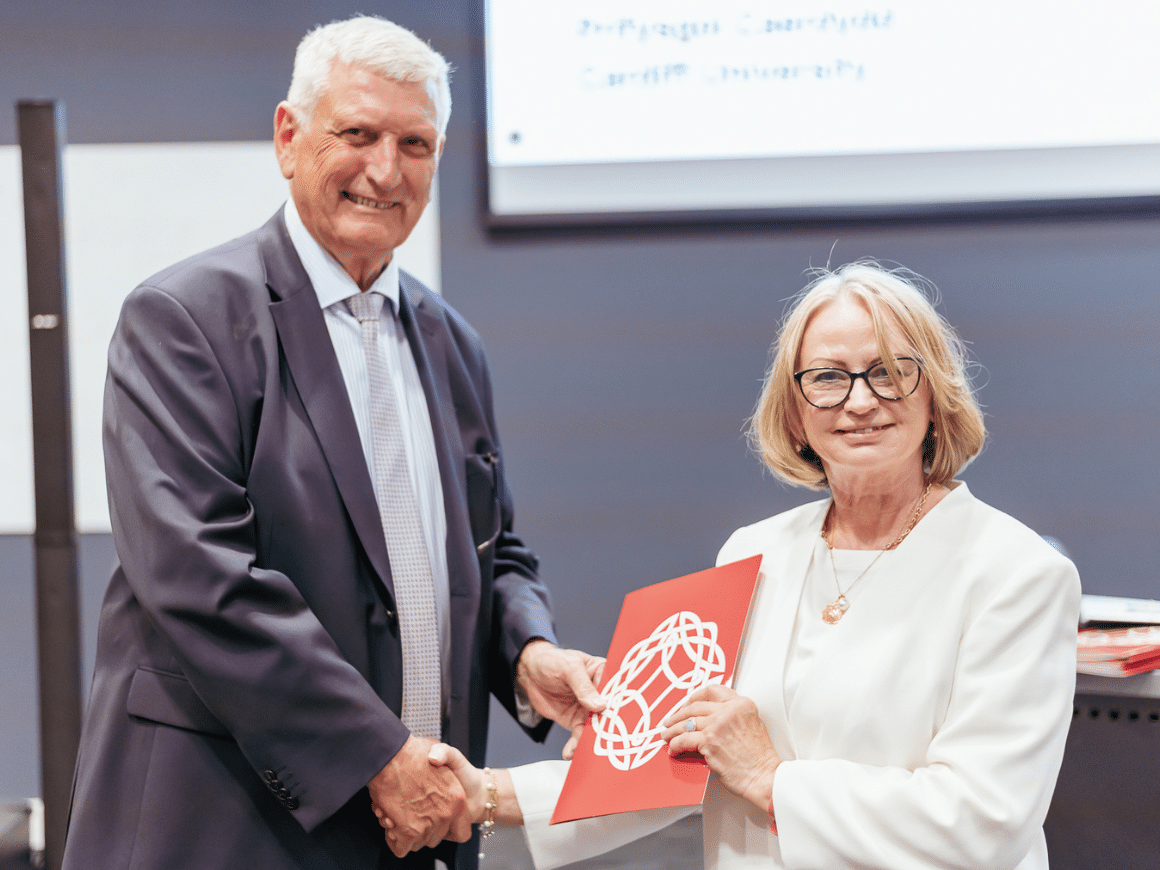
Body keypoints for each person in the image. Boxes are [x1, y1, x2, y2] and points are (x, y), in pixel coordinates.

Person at [61, 15, 603, 870]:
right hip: (225, 828)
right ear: (288, 137)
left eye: (415, 144)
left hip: (411, 836)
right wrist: (380, 758)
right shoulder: (182, 321)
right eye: (357, 134)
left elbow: (491, 554)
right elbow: (201, 579)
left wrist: (527, 653)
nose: (385, 170)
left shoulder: (454, 343)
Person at [425, 262, 1082, 870]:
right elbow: (671, 765)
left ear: (935, 393)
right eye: (827, 377)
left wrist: (772, 779)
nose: (860, 401)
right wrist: (482, 793)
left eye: (889, 371)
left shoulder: (1017, 574)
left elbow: (982, 821)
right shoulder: (753, 553)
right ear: (794, 413)